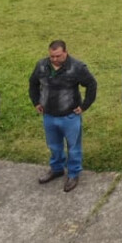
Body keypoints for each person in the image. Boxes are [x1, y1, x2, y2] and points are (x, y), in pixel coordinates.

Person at [30, 39, 97, 192]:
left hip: (70, 116)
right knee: (54, 145)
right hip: (49, 115)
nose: (54, 59)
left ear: (65, 53)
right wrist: (36, 102)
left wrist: (84, 106)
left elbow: (91, 84)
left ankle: (73, 173)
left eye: (58, 56)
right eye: (52, 56)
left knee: (73, 148)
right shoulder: (41, 65)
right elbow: (33, 83)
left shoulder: (77, 67)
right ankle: (57, 168)